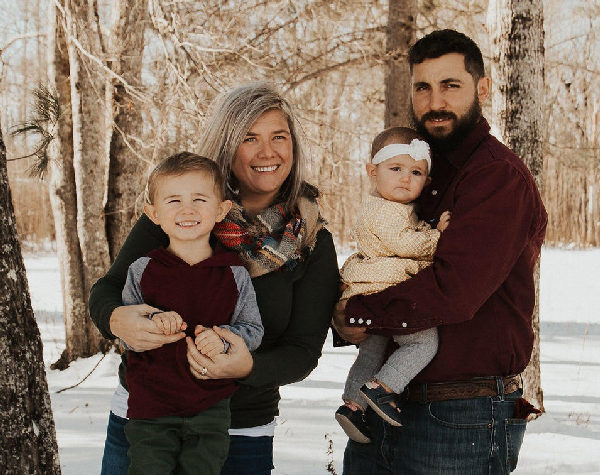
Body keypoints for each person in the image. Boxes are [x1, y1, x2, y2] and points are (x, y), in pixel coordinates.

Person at [89, 82, 340, 475]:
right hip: (146, 416)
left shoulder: (310, 238)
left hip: (239, 430)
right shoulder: (183, 206)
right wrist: (115, 319)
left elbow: (303, 351)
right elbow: (107, 290)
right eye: (249, 138)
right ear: (226, 144)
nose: (267, 152)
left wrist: (246, 368)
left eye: (279, 137)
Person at [333, 29, 547, 474]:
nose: (435, 102)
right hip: (386, 402)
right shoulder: (417, 171)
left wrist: (358, 312)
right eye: (422, 87)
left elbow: (454, 289)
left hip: (460, 417)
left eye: (451, 85)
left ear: (482, 88)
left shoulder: (496, 177)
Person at [122, 153, 264, 474]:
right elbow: (127, 334)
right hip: (151, 409)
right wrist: (151, 323)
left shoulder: (234, 273)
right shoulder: (142, 270)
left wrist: (224, 340)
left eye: (199, 199)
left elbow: (252, 329)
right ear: (154, 214)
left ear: (221, 210)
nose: (187, 210)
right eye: (173, 201)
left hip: (210, 408)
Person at [335, 127, 450, 442]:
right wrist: (437, 235)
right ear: (373, 172)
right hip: (388, 291)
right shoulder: (386, 212)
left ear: (426, 181)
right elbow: (407, 244)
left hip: (371, 290)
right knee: (422, 343)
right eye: (395, 169)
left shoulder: (382, 206)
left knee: (373, 349)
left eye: (416, 172)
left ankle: (353, 405)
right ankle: (383, 388)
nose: (405, 178)